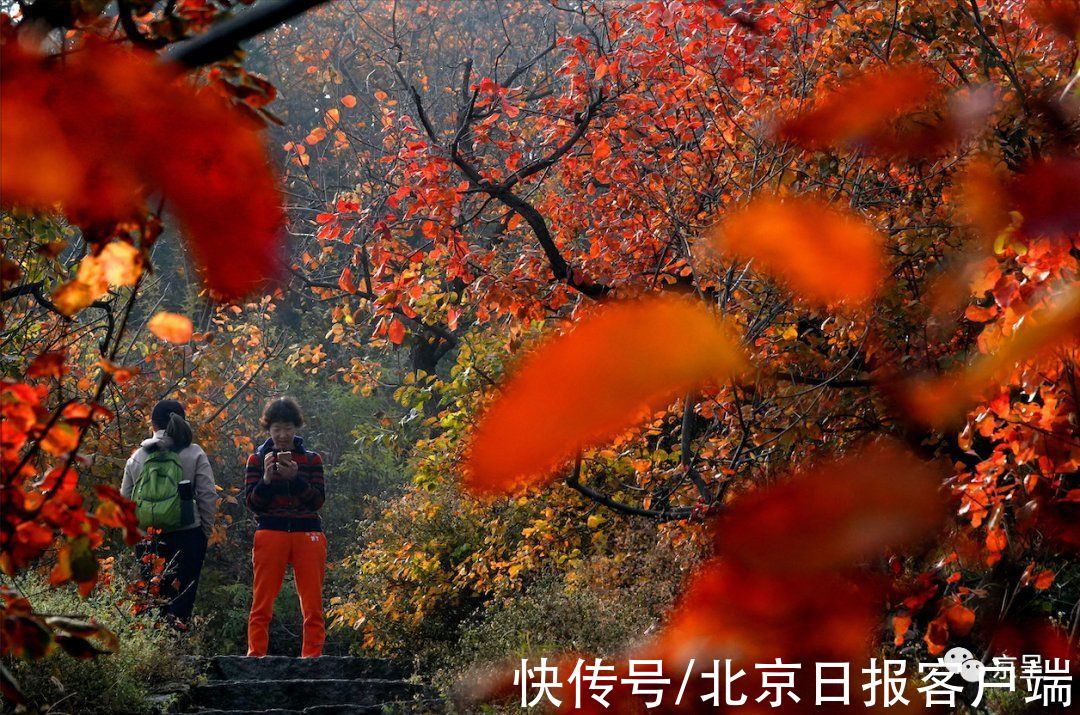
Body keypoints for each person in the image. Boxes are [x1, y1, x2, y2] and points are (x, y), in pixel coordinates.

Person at [121, 399, 217, 626]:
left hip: (149, 537)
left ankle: (156, 654)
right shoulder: (194, 453)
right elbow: (207, 495)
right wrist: (204, 531)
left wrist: (138, 533)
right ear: (182, 422)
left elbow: (124, 501)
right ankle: (178, 651)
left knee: (152, 599)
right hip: (188, 535)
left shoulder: (137, 456)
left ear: (152, 424)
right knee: (182, 597)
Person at [244, 396, 327, 658]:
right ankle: (256, 655)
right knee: (262, 601)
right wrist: (267, 480)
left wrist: (296, 480)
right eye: (277, 428)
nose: (282, 435)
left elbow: (317, 501)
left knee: (312, 602)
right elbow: (253, 504)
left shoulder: (312, 460)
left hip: (308, 532)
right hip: (271, 531)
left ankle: (312, 657)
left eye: (288, 428)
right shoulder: (256, 460)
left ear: (296, 428)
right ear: (268, 429)